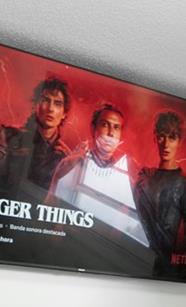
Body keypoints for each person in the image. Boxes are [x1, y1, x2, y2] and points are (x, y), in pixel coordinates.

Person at [49, 103, 149, 246]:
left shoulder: (125, 175)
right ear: (93, 129)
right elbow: (50, 206)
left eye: (116, 127)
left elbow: (130, 224)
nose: (111, 133)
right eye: (105, 125)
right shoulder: (72, 163)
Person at [0, 75, 70, 199]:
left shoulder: (64, 156)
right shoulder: (8, 137)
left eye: (58, 104)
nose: (51, 108)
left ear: (64, 113)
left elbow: (58, 201)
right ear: (35, 105)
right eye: (45, 100)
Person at [134, 110, 186, 279]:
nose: (166, 144)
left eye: (172, 137)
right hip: (134, 256)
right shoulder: (145, 177)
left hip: (162, 269)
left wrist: (182, 276)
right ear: (155, 138)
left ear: (179, 141)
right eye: (161, 136)